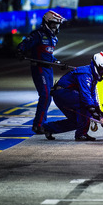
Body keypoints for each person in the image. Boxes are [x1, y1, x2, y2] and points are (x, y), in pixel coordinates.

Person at [16, 10, 67, 139]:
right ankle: (38, 125)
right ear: (47, 22)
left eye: (57, 25)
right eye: (54, 24)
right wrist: (21, 52)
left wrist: (57, 62)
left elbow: (48, 55)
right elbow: (22, 45)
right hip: (39, 69)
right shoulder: (37, 35)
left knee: (48, 97)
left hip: (48, 69)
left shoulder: (53, 38)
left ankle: (40, 123)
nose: (56, 27)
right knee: (44, 95)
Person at [43, 52, 103, 141]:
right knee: (85, 105)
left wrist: (98, 109)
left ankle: (48, 128)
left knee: (77, 122)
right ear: (96, 66)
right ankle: (81, 134)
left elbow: (92, 94)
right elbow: (85, 95)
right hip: (63, 93)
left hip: (64, 94)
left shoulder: (91, 75)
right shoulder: (85, 74)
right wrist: (92, 109)